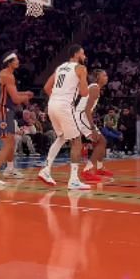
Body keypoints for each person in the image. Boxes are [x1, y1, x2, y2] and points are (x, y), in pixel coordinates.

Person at [38, 45, 92, 190]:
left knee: (62, 137)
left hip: (52, 104)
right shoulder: (81, 68)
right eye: (83, 53)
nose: (85, 56)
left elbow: (46, 88)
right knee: (77, 141)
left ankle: (46, 170)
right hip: (64, 106)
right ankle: (74, 179)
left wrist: (57, 98)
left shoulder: (60, 67)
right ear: (76, 55)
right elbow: (84, 92)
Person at [0, 51, 33, 186]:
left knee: (11, 141)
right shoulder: (7, 76)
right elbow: (16, 99)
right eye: (16, 60)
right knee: (7, 144)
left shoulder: (7, 74)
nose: (18, 61)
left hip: (6, 110)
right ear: (10, 62)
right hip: (2, 110)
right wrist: (26, 97)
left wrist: (24, 93)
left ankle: (10, 169)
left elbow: (13, 93)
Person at [75, 69, 112, 182]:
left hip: (83, 115)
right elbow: (86, 110)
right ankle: (87, 170)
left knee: (102, 142)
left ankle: (99, 168)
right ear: (97, 78)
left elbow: (88, 109)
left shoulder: (95, 87)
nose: (106, 77)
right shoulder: (95, 88)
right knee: (101, 141)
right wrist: (92, 128)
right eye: (104, 75)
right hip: (82, 116)